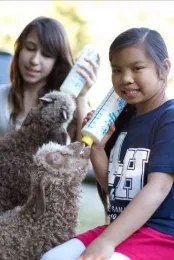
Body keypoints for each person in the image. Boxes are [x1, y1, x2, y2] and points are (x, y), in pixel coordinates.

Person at [41, 27, 174, 260]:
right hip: (123, 229)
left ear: (164, 69)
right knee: (52, 258)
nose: (126, 78)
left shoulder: (169, 118)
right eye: (117, 70)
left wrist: (106, 241)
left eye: (137, 68)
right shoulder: (122, 118)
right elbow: (116, 188)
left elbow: (158, 188)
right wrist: (99, 149)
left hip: (161, 236)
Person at [0, 16, 99, 141]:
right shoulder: (1, 96)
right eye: (30, 48)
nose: (34, 60)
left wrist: (81, 96)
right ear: (19, 49)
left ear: (56, 61)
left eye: (46, 55)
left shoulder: (66, 107)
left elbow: (83, 150)